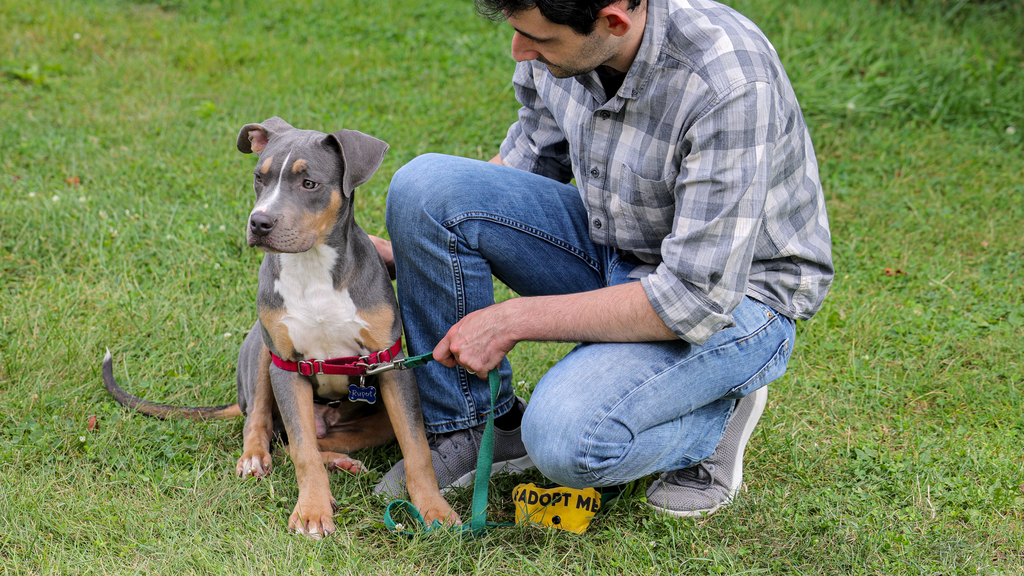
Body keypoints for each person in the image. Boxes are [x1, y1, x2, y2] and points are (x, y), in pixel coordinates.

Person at [372, 0, 833, 518]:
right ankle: (476, 427)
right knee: (425, 189)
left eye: (540, 41)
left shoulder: (728, 82)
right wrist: (422, 243)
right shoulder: (563, 42)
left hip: (734, 299)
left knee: (565, 440)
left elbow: (694, 299)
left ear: (614, 22)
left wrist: (511, 319)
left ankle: (717, 413)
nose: (518, 50)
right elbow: (528, 164)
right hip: (618, 243)